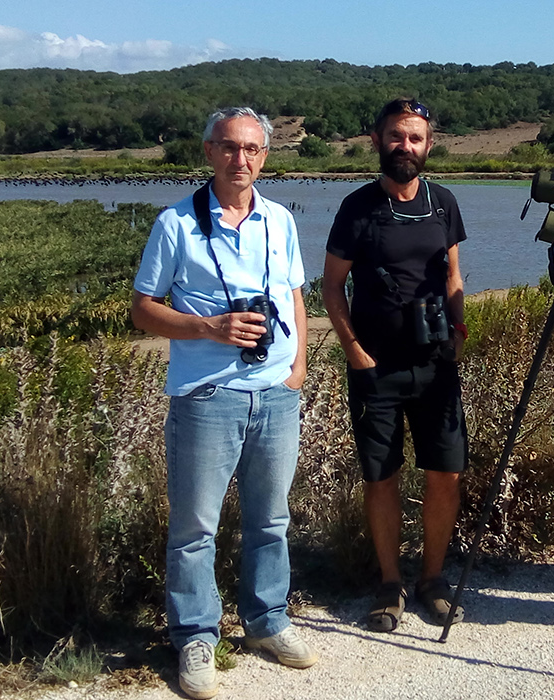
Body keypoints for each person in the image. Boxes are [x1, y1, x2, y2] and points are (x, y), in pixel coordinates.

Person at [131, 106, 315, 700]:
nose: (242, 160)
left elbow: (292, 296)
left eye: (254, 150)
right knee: (194, 529)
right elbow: (142, 309)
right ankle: (195, 637)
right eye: (231, 148)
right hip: (205, 397)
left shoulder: (280, 220)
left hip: (275, 395)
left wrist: (298, 369)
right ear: (209, 152)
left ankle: (268, 622)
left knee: (271, 520)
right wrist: (208, 328)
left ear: (265, 156)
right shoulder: (176, 225)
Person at [322, 98, 469, 633]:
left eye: (414, 138)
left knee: (446, 475)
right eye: (395, 137)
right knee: (381, 478)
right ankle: (390, 583)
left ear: (429, 145)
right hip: (375, 368)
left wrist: (458, 329)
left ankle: (432, 578)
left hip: (436, 364)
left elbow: (453, 276)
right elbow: (332, 286)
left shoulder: (443, 202)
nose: (404, 147)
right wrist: (354, 350)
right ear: (377, 140)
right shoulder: (357, 207)